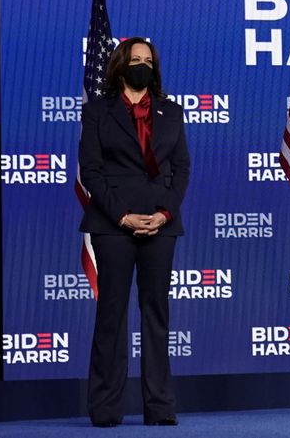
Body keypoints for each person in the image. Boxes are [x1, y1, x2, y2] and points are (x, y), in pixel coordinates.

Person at [79, 37, 190, 427]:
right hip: (113, 224)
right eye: (134, 59)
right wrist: (123, 216)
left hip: (162, 224)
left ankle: (159, 408)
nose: (141, 64)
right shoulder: (97, 111)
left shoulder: (171, 112)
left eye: (148, 60)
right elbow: (91, 170)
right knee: (111, 314)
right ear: (120, 65)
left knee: (156, 314)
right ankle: (106, 409)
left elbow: (182, 169)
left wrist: (163, 213)